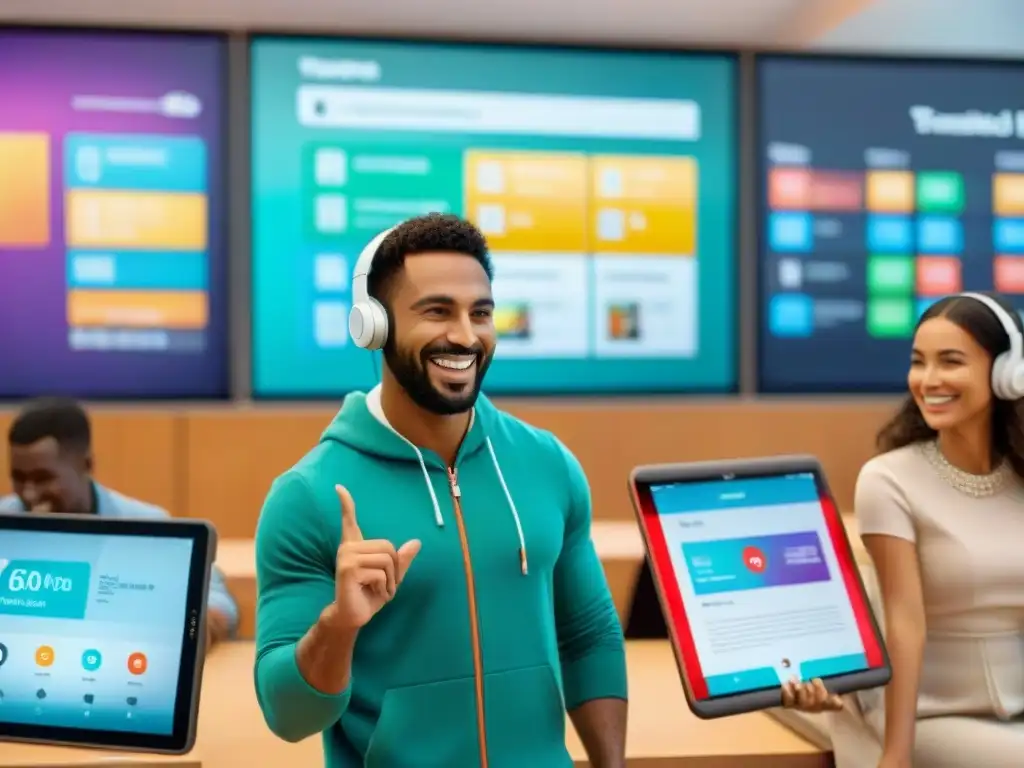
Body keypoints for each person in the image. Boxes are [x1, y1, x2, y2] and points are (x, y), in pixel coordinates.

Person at [253, 213, 837, 767]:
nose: (465, 336)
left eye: (480, 313)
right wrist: (339, 625)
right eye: (437, 311)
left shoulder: (545, 463)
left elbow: (589, 637)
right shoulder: (307, 498)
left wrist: (611, 764)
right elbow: (289, 714)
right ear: (373, 325)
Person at [830, 292, 1024, 768]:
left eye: (950, 362)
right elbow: (904, 623)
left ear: (1006, 374)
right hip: (932, 713)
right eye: (919, 363)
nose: (929, 380)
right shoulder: (889, 480)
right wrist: (896, 754)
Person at [0, 397, 238, 646]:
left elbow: (219, 602)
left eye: (42, 478)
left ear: (87, 464)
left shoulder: (149, 527)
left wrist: (188, 628)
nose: (28, 494)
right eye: (18, 478)